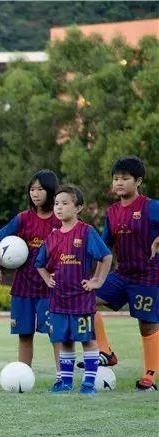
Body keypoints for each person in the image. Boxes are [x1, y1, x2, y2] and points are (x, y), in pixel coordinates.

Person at [35, 185, 112, 394]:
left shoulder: (86, 232)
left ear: (78, 208)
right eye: (56, 203)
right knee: (65, 340)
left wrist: (97, 280)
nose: (59, 207)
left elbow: (105, 257)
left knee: (87, 340)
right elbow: (39, 263)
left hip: (81, 299)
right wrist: (46, 279)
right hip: (58, 300)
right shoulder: (52, 236)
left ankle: (88, 382)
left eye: (65, 203)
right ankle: (66, 382)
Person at [93, 156, 159, 391]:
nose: (119, 182)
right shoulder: (111, 212)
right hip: (122, 275)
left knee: (147, 325)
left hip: (148, 276)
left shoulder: (151, 207)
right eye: (115, 178)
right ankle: (106, 351)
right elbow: (103, 245)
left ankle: (149, 377)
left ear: (138, 181)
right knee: (85, 300)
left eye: (125, 178)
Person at [0, 170, 62, 377]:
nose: (35, 194)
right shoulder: (23, 218)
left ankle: (62, 376)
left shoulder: (60, 219)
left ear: (51, 191)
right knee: (24, 334)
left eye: (40, 189)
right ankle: (24, 375)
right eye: (32, 189)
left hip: (51, 288)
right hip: (24, 287)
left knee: (56, 335)